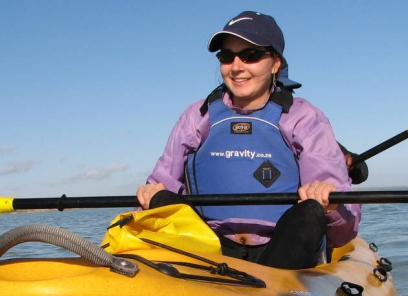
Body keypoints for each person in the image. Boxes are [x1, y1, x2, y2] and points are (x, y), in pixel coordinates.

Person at [136, 11, 361, 269]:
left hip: (284, 248)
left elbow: (343, 233)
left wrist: (331, 206)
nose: (236, 66)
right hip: (211, 248)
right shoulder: (197, 116)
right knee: (159, 198)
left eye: (251, 55)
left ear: (275, 62)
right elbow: (161, 183)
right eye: (226, 56)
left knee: (310, 212)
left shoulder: (303, 117)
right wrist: (149, 194)